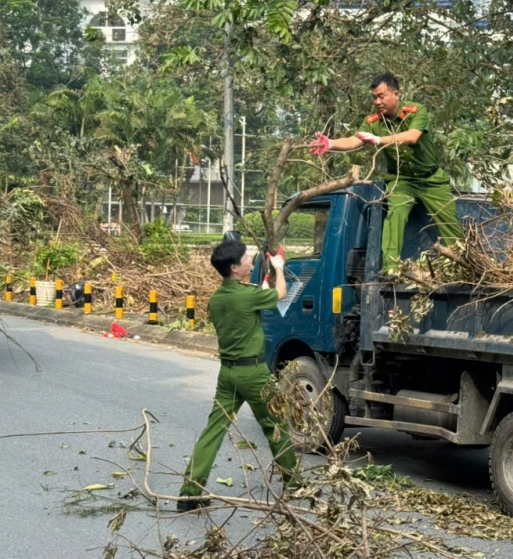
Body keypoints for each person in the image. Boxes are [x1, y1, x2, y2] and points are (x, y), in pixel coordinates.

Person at [177, 240, 297, 512]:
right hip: (253, 373)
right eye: (246, 260)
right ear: (234, 267)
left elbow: (249, 303)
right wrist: (278, 267)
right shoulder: (247, 296)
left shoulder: (217, 299)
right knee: (275, 426)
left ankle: (189, 491)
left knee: (214, 429)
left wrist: (260, 284)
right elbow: (281, 293)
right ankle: (295, 484)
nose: (250, 263)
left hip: (227, 373)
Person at [309, 73, 463, 276]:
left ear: (396, 94)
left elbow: (412, 137)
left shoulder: (415, 111)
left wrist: (380, 139)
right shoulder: (373, 121)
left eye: (381, 96)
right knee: (394, 214)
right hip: (402, 180)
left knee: (449, 221)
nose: (377, 102)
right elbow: (355, 140)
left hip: (431, 179)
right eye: (374, 97)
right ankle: (392, 268)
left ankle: (463, 263)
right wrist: (331, 144)